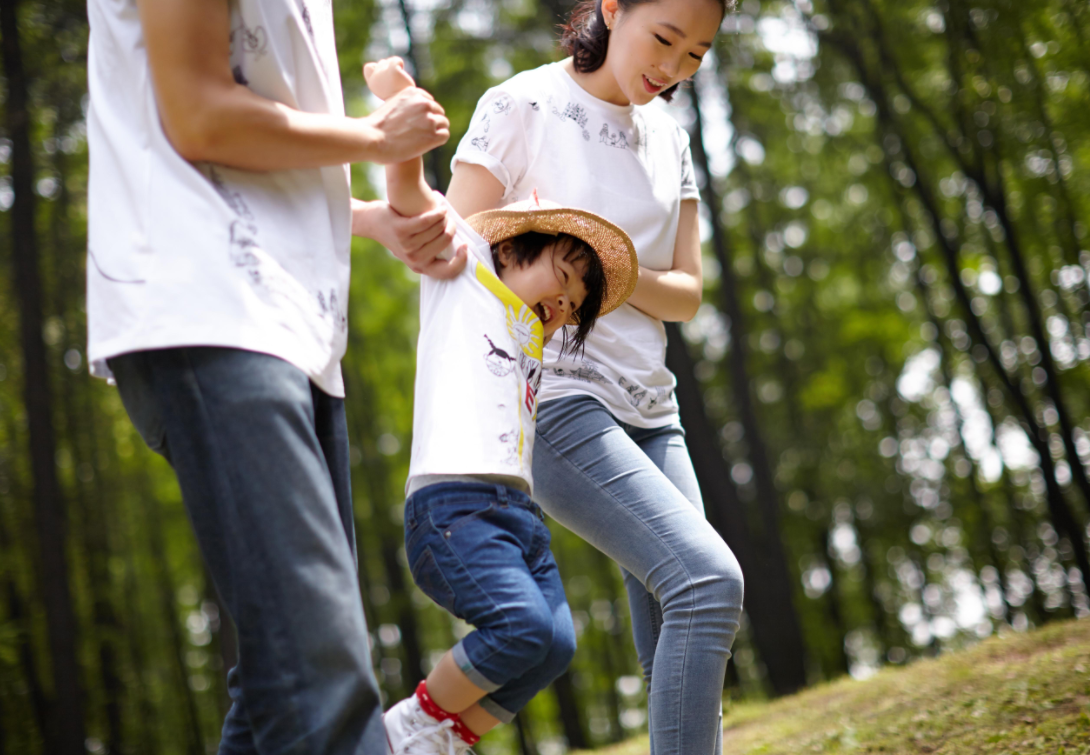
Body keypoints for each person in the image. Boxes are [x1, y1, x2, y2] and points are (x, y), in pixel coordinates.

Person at [86, 2, 465, 752]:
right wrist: (375, 137)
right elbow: (197, 116)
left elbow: (258, 125)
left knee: (275, 684)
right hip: (208, 305)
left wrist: (368, 218)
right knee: (322, 683)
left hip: (293, 323)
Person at [445, 0, 743, 753]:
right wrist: (546, 258)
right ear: (613, 8)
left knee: (680, 631)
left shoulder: (668, 136)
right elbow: (455, 245)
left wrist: (601, 255)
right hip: (559, 399)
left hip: (654, 407)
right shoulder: (523, 104)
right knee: (708, 584)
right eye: (664, 39)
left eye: (695, 57)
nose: (671, 69)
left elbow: (686, 291)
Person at [362, 57, 639, 755]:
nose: (564, 303)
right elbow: (416, 201)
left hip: (517, 511)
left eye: (576, 305)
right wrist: (400, 103)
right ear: (516, 245)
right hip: (453, 505)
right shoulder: (467, 274)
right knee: (520, 627)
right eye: (564, 276)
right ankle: (395, 730)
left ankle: (448, 736)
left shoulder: (531, 332)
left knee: (554, 644)